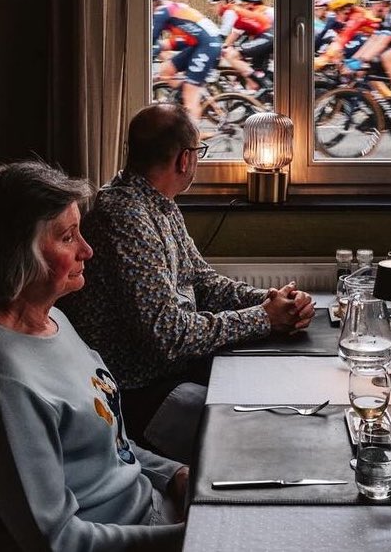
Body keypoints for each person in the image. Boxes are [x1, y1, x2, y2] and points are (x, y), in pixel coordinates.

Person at [0, 160, 187, 550]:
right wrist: (195, 537)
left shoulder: (51, 318)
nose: (87, 249)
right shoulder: (4, 383)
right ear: (17, 255)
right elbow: (57, 541)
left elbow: (110, 445)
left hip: (152, 514)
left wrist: (175, 475)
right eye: (68, 237)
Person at [61, 103, 314, 441]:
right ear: (184, 159)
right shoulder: (125, 217)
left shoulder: (158, 203)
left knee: (280, 385)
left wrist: (273, 300)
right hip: (134, 390)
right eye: (199, 151)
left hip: (173, 369)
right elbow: (170, 336)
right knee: (260, 428)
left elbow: (202, 281)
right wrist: (264, 318)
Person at [152, 0, 223, 123]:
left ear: (154, 1)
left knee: (190, 94)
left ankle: (195, 132)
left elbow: (151, 38)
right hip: (201, 43)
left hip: (207, 45)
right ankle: (190, 89)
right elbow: (181, 40)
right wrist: (158, 48)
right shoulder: (172, 9)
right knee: (166, 69)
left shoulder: (162, 11)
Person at [220, 0, 274, 96]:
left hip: (271, 38)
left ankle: (265, 85)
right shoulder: (264, 10)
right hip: (270, 38)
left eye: (241, 4)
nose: (240, 7)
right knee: (257, 68)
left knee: (236, 55)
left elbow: (235, 34)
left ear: (251, 4)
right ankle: (261, 92)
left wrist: (224, 47)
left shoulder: (260, 12)